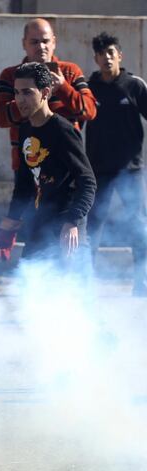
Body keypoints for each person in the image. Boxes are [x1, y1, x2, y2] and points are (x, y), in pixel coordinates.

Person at [0, 63, 96, 273]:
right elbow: (24, 183)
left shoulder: (63, 130)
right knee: (29, 289)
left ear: (45, 93)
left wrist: (73, 221)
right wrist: (11, 222)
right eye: (16, 92)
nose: (20, 99)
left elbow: (87, 181)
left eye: (27, 92)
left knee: (74, 297)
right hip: (41, 223)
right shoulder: (24, 129)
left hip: (67, 227)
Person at [85, 32, 147, 296]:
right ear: (96, 58)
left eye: (111, 52)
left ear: (119, 55)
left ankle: (141, 281)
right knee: (92, 226)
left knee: (138, 224)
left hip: (130, 170)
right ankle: (85, 283)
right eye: (101, 54)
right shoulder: (89, 87)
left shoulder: (134, 86)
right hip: (98, 169)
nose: (107, 58)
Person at [0, 18, 96, 172]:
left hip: (67, 162)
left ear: (54, 42)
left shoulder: (69, 71)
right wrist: (31, 97)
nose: (41, 47)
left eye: (46, 41)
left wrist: (63, 88)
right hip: (28, 164)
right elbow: (1, 118)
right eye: (34, 42)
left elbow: (90, 111)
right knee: (25, 197)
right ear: (24, 44)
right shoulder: (10, 75)